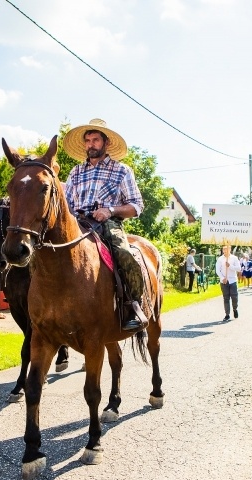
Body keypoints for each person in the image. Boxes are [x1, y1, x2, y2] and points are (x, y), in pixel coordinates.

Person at [63, 118, 147, 331]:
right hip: (77, 223)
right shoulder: (75, 172)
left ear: (106, 142)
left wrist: (110, 210)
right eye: (88, 140)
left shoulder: (121, 171)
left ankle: (132, 306)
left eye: (96, 140)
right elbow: (67, 205)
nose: (91, 144)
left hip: (108, 224)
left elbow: (136, 206)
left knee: (124, 253)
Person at [215, 244, 241, 320]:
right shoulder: (220, 259)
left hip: (233, 280)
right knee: (226, 298)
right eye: (224, 249)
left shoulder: (234, 258)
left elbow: (239, 269)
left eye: (226, 249)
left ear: (230, 249)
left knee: (234, 297)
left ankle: (235, 309)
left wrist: (230, 266)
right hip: (224, 281)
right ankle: (227, 314)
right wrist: (222, 278)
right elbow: (217, 270)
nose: (225, 251)